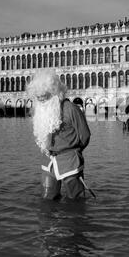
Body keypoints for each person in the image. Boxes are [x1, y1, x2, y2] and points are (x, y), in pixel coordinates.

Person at [27, 70, 92, 200]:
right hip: (49, 160)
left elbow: (85, 135)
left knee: (76, 200)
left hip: (70, 160)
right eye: (38, 98)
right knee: (47, 198)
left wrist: (74, 152)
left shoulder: (71, 109)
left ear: (54, 93)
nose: (41, 101)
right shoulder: (40, 109)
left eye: (44, 97)